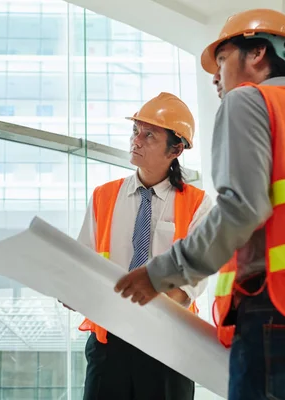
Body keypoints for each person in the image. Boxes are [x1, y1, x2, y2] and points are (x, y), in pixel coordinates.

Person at [115, 9, 285, 400]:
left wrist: (159, 273)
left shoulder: (249, 100)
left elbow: (242, 209)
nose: (215, 75)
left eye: (224, 58)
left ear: (258, 53)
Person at [70, 92, 210, 400]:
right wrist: (71, 289)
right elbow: (83, 261)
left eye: (149, 135)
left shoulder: (198, 205)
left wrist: (145, 313)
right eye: (136, 131)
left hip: (168, 344)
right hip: (110, 343)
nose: (137, 140)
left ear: (176, 148)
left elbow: (191, 282)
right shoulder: (104, 196)